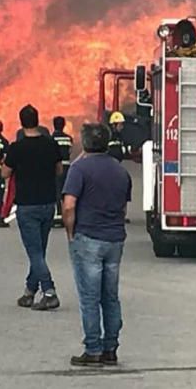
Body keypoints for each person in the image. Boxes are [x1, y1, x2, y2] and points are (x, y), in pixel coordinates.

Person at [62, 122, 132, 367]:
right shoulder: (120, 171)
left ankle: (93, 349)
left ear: (84, 142)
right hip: (115, 240)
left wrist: (71, 234)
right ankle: (110, 348)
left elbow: (69, 205)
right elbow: (123, 207)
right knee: (110, 297)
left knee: (89, 297)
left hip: (88, 238)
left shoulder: (79, 170)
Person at [1, 104, 62, 311]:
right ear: (38, 120)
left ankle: (49, 291)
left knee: (35, 252)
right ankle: (29, 292)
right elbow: (59, 169)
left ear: (21, 122)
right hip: (48, 204)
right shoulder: (50, 144)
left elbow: (5, 174)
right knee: (39, 251)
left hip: (28, 206)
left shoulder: (16, 148)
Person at [51, 116, 73, 227]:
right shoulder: (69, 139)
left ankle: (58, 214)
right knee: (65, 191)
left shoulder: (51, 139)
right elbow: (70, 151)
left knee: (56, 191)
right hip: (67, 166)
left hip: (55, 167)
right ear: (63, 125)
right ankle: (65, 214)